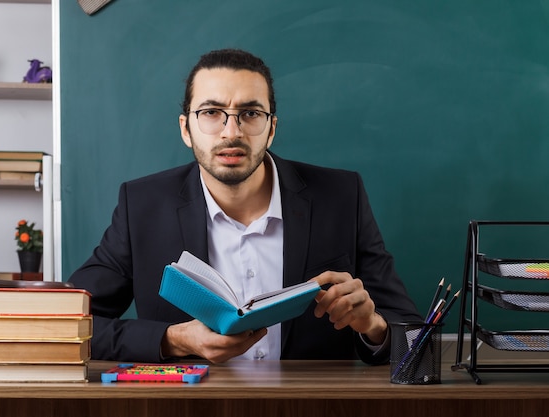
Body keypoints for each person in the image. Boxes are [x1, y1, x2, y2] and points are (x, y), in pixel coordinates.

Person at [68, 48, 421, 365]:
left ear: (271, 129)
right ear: (186, 129)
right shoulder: (142, 206)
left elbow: (417, 341)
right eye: (211, 112)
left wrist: (373, 326)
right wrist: (171, 339)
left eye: (250, 113)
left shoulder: (341, 197)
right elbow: (67, 323)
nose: (230, 131)